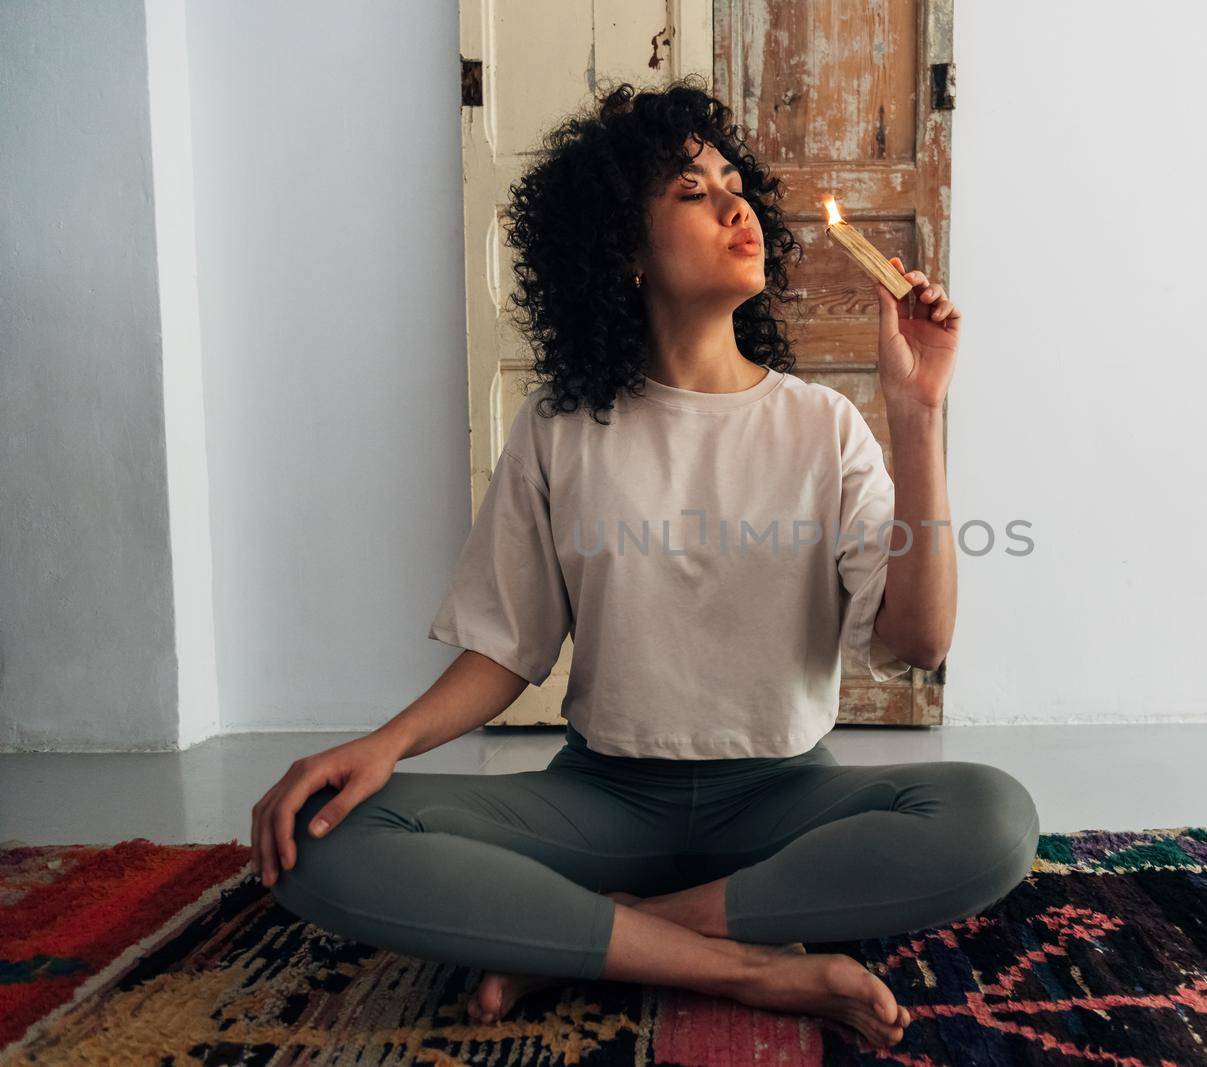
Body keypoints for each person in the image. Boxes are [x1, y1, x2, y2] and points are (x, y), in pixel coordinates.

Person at [250, 76, 1039, 1050]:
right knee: (322, 836)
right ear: (623, 251)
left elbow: (919, 640)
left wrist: (917, 418)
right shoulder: (559, 429)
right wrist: (381, 744)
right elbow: (505, 649)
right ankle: (750, 961)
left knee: (992, 816)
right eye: (690, 190)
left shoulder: (820, 426)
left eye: (732, 180)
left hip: (782, 798)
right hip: (602, 799)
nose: (733, 201)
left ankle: (592, 935)